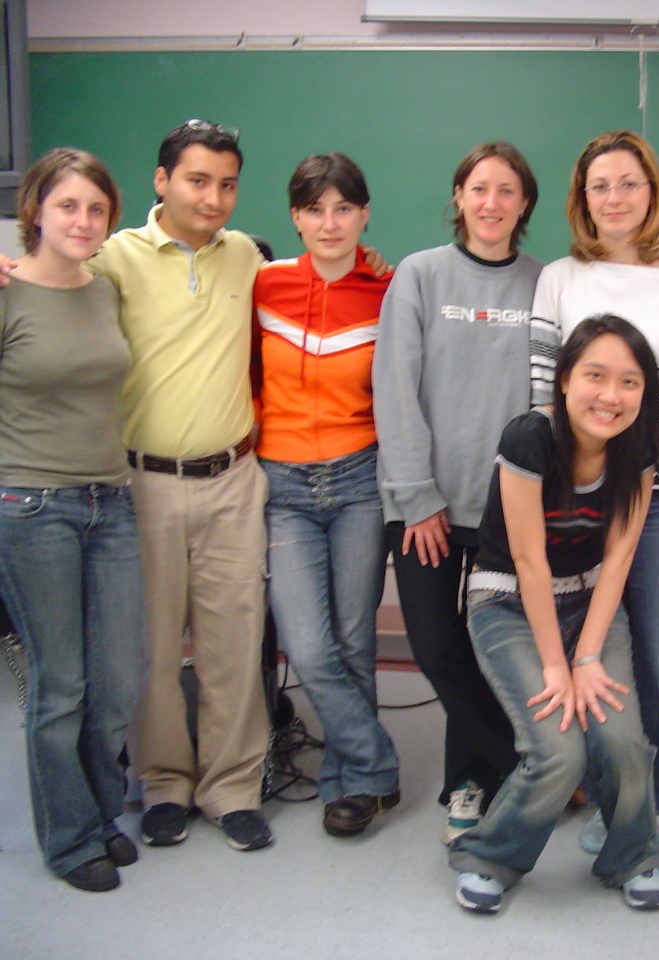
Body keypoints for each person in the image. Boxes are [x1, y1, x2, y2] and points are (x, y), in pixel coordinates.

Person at [529, 130, 659, 859]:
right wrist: (555, 498)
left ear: (652, 193)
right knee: (596, 659)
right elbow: (541, 397)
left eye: (629, 184)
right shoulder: (560, 280)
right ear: (583, 199)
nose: (615, 198)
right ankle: (610, 797)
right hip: (584, 501)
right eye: (600, 186)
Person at [87, 120, 275, 852]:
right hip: (145, 485)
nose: (214, 198)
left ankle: (232, 787)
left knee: (234, 643)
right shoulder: (113, 259)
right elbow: (51, 284)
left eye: (227, 184)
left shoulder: (248, 256)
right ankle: (164, 782)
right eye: (198, 181)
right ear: (162, 180)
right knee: (154, 650)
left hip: (233, 479)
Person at [450, 314, 659, 914]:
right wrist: (558, 664)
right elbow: (529, 561)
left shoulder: (639, 447)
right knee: (559, 748)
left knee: (622, 740)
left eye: (629, 382)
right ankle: (491, 857)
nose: (611, 396)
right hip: (508, 603)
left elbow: (620, 556)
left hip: (590, 603)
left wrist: (589, 655)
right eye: (595, 376)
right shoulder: (530, 437)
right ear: (566, 379)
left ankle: (632, 854)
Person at [373, 142, 542, 842]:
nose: (491, 203)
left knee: (495, 652)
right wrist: (417, 496)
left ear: (524, 204)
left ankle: (470, 786)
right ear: (458, 196)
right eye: (478, 188)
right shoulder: (419, 274)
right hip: (427, 505)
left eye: (506, 191)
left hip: (509, 509)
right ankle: (528, 761)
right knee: (437, 648)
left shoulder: (545, 283)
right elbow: (394, 387)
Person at [0, 148, 144, 892]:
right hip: (30, 507)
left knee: (116, 682)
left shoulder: (106, 288)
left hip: (110, 502)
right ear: (35, 210)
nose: (82, 220)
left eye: (95, 208)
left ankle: (98, 810)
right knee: (61, 687)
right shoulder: (7, 293)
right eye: (67, 206)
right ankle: (71, 838)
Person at [252, 153, 400, 838]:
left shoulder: (390, 289)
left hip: (359, 481)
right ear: (295, 217)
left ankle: (352, 787)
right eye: (315, 210)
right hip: (283, 486)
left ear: (365, 214)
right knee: (308, 649)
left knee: (353, 641)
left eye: (344, 209)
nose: (330, 223)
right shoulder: (264, 284)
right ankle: (376, 763)